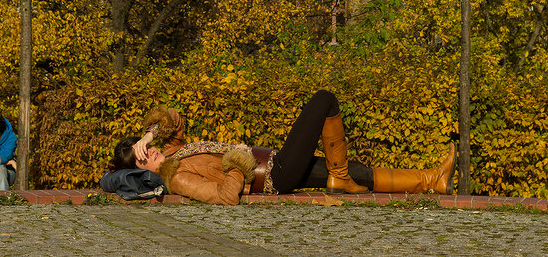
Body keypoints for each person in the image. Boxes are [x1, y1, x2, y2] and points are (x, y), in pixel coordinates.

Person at [109, 90, 456, 204]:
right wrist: (237, 159)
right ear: (142, 171)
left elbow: (175, 117)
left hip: (275, 161)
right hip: (276, 175)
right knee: (323, 101)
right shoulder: (177, 178)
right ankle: (339, 177)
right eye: (144, 157)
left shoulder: (173, 151)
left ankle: (431, 179)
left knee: (358, 173)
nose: (150, 154)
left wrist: (149, 135)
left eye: (146, 150)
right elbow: (226, 197)